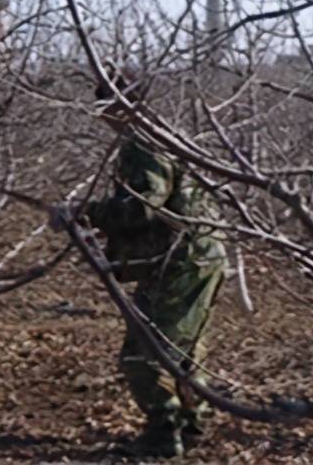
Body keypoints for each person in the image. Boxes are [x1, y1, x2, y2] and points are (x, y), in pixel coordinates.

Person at [79, 68, 227, 456]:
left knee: (144, 351)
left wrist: (90, 212)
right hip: (202, 254)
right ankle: (193, 424)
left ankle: (165, 433)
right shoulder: (164, 132)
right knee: (186, 349)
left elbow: (144, 205)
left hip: (181, 260)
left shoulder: (143, 142)